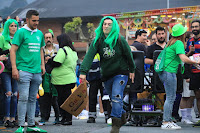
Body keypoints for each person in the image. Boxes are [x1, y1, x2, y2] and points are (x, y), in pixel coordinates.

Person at [79, 16, 136, 133]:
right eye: (104, 24)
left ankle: (115, 125)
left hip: (121, 73)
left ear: (114, 26)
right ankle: (123, 115)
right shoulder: (98, 41)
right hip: (106, 75)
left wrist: (132, 70)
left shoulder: (120, 40)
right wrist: (83, 72)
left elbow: (129, 56)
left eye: (109, 24)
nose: (106, 26)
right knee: (113, 99)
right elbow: (89, 56)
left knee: (116, 97)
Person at [10, 10, 47, 133]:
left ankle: (31, 125)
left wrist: (43, 65)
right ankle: (21, 125)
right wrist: (15, 68)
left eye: (38, 20)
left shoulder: (40, 34)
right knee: (23, 97)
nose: (36, 23)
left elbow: (41, 50)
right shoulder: (20, 32)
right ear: (27, 20)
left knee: (32, 99)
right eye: (34, 20)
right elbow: (12, 50)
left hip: (37, 70)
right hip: (24, 70)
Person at [158, 23, 200, 130]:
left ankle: (168, 120)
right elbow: (184, 59)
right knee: (171, 97)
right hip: (169, 72)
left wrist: (192, 61)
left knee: (170, 97)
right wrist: (195, 62)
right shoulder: (179, 43)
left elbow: (181, 57)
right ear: (182, 33)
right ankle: (166, 121)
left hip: (165, 72)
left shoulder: (171, 43)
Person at [51, 33, 78, 126]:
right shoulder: (73, 51)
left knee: (62, 100)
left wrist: (50, 60)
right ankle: (68, 118)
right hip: (70, 78)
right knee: (68, 99)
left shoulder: (63, 50)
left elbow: (57, 62)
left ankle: (65, 118)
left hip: (61, 79)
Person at [0, 19, 19, 128]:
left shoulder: (19, 38)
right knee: (8, 93)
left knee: (15, 95)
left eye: (15, 26)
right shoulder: (2, 38)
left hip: (16, 69)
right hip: (5, 70)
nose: (13, 28)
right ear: (7, 27)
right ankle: (6, 118)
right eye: (11, 25)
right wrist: (6, 54)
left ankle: (13, 118)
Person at [185, 20, 200, 127]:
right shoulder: (190, 41)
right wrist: (190, 51)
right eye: (193, 27)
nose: (194, 28)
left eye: (196, 26)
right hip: (194, 72)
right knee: (197, 96)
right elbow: (185, 56)